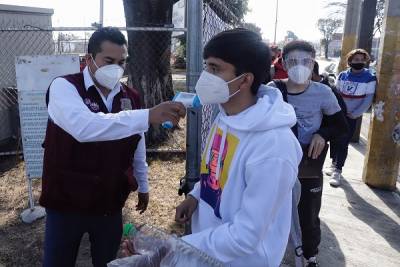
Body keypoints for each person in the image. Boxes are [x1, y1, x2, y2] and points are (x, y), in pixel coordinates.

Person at [39, 27, 186, 267]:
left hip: (108, 200)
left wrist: (143, 184)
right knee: (57, 262)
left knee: (107, 262)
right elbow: (84, 128)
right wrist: (147, 115)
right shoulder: (64, 88)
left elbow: (136, 143)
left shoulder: (130, 97)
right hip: (66, 200)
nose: (116, 68)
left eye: (121, 62)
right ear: (89, 59)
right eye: (108, 61)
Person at [173, 28, 302, 267]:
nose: (205, 76)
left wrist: (177, 250)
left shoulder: (273, 147)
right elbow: (216, 172)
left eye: (215, 69)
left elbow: (245, 236)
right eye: (206, 67)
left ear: (245, 79)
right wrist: (195, 196)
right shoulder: (226, 116)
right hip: (208, 253)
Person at [268, 40, 348, 266]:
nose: (299, 66)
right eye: (293, 61)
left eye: (305, 61)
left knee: (308, 215)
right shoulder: (273, 91)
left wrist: (322, 134)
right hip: (278, 165)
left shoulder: (324, 93)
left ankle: (310, 255)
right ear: (283, 62)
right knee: (271, 211)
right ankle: (271, 252)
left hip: (308, 167)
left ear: (313, 62)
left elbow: (341, 126)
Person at [326, 49, 377, 187]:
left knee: (343, 142)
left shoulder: (370, 77)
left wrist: (355, 113)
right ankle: (333, 163)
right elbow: (336, 94)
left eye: (362, 60)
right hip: (338, 114)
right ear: (350, 61)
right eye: (356, 60)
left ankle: (338, 170)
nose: (359, 62)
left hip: (352, 116)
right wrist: (335, 111)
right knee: (334, 140)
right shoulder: (342, 75)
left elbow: (368, 98)